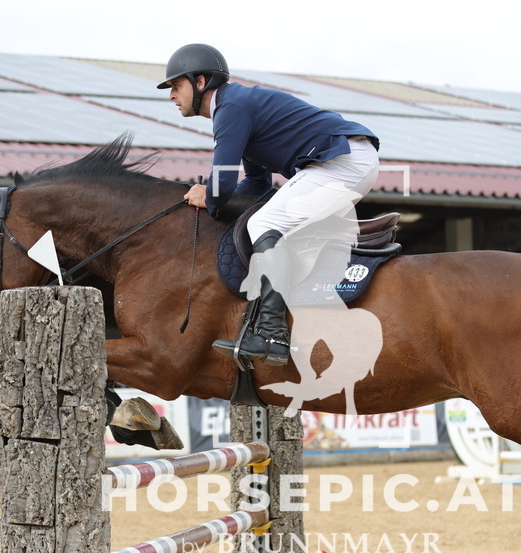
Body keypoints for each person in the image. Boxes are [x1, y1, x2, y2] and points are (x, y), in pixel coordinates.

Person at [159, 44, 380, 366]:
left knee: (262, 225)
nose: (171, 96)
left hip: (343, 162)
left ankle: (272, 333)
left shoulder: (230, 109)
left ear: (201, 82)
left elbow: (220, 186)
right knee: (266, 220)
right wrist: (216, 197)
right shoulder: (237, 106)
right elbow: (257, 184)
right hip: (344, 160)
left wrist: (207, 196)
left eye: (176, 86)